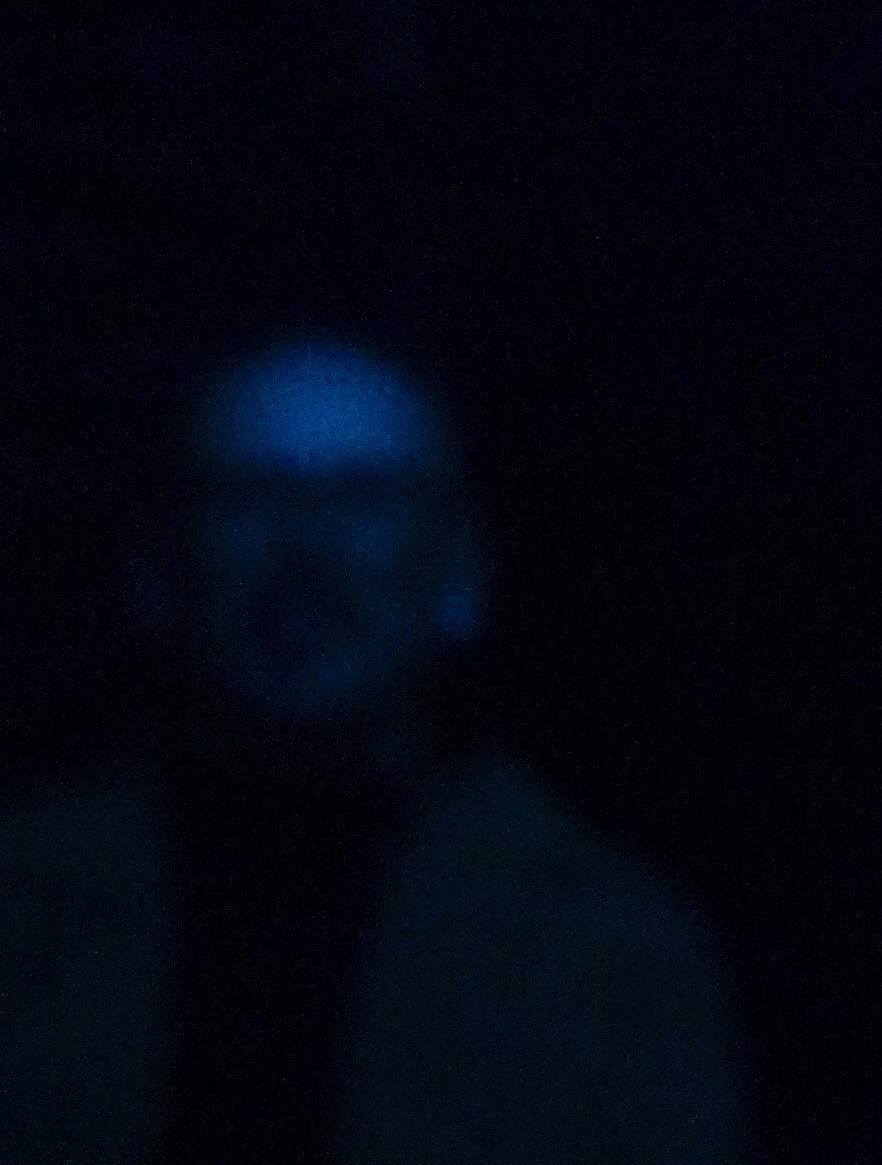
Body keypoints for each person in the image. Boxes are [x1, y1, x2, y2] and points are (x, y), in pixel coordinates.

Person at [0, 338, 748, 1165]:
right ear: (159, 569)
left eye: (366, 499)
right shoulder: (32, 893)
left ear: (459, 574)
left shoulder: (610, 949)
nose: (306, 549)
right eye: (249, 496)